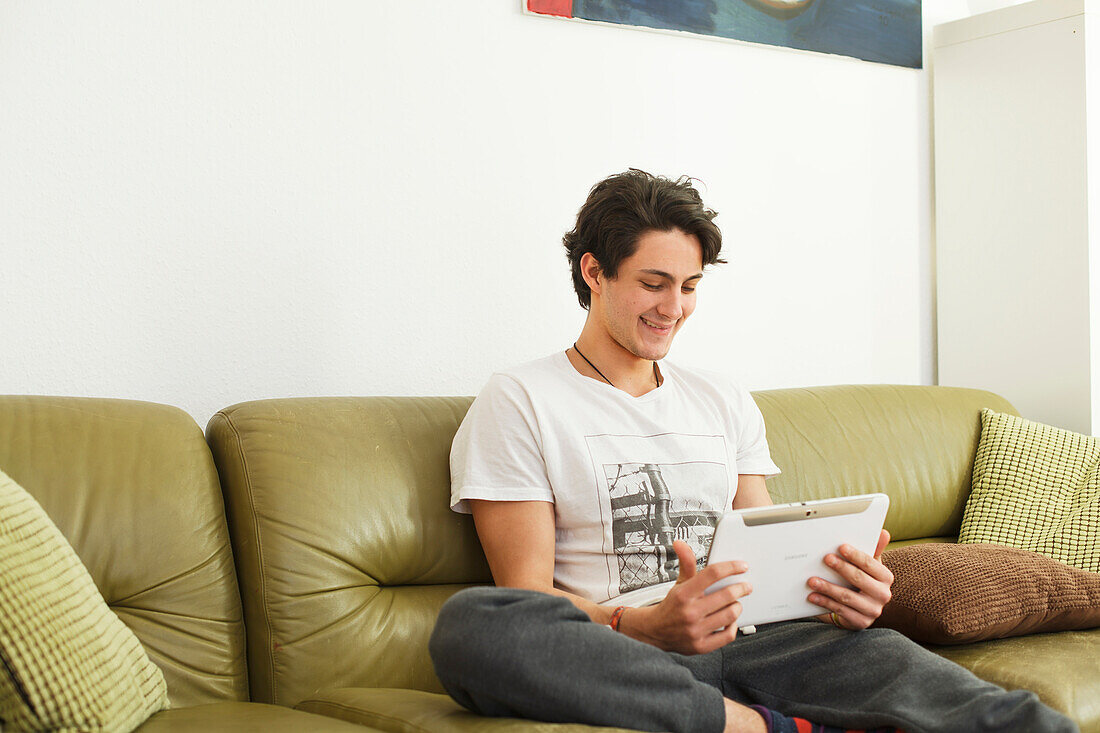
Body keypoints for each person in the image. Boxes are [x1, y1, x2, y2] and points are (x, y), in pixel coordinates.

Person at [428, 170, 1076, 733]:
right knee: (472, 627)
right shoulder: (521, 399)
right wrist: (648, 625)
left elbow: (761, 553)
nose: (674, 308)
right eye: (654, 283)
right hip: (626, 649)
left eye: (689, 285)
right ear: (593, 270)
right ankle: (752, 724)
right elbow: (529, 593)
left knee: (999, 711)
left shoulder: (722, 396)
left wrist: (842, 594)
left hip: (767, 639)